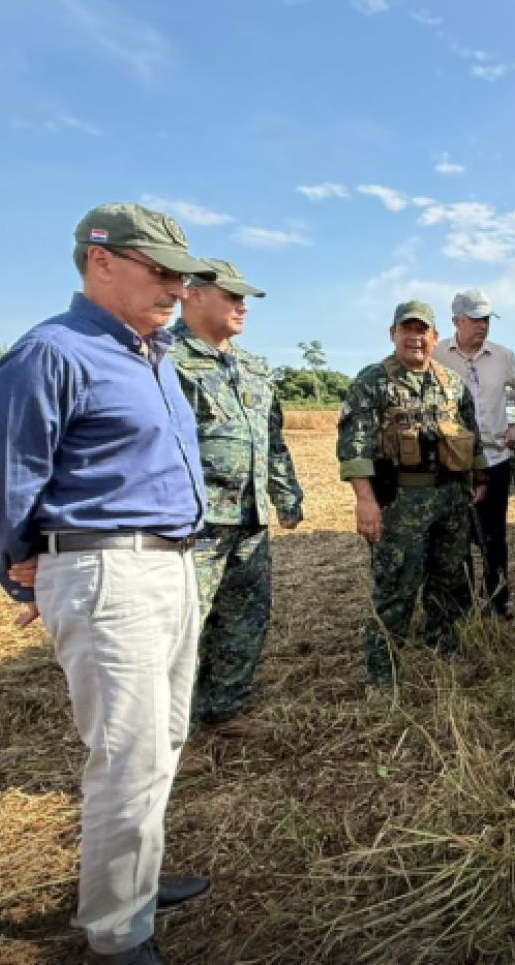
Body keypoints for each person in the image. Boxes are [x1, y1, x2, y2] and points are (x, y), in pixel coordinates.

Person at [0, 203, 218, 964]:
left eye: (181, 275)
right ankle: (117, 935)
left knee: (161, 740)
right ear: (101, 260)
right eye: (160, 271)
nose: (176, 288)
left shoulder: (152, 355)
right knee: (128, 754)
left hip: (170, 564)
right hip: (110, 572)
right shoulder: (53, 352)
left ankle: (131, 881)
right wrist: (23, 568)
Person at [168, 259, 304, 735]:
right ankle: (170, 736)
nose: (241, 306)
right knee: (182, 628)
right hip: (193, 524)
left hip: (249, 518)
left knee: (244, 618)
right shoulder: (164, 361)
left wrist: (286, 495)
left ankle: (223, 710)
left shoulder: (253, 367)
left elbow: (272, 438)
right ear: (192, 294)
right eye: (230, 295)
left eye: (244, 298)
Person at [337, 300, 487, 686]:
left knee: (449, 581)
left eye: (423, 331)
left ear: (435, 337)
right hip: (400, 504)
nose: (415, 338)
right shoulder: (373, 382)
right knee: (395, 589)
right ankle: (383, 676)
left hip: (450, 500)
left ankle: (444, 655)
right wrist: (365, 501)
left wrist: (480, 477)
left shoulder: (451, 382)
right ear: (393, 334)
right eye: (408, 329)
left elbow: (472, 433)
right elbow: (354, 446)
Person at [435, 288, 515, 619]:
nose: (482, 326)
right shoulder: (436, 355)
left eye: (487, 319)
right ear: (457, 321)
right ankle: (460, 608)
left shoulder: (503, 357)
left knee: (494, 538)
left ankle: (497, 604)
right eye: (475, 319)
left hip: (494, 462)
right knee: (455, 539)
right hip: (452, 466)